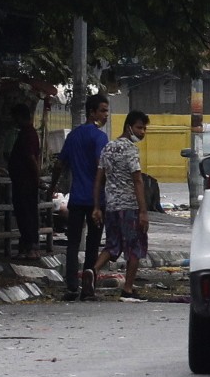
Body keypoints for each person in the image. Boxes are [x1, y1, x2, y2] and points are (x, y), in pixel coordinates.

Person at [57, 94, 111, 301]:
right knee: (93, 242)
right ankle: (88, 285)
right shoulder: (99, 137)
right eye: (103, 111)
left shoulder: (73, 136)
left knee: (73, 242)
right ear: (92, 112)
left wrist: (51, 187)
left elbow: (60, 164)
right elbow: (101, 166)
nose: (105, 115)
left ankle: (71, 285)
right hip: (96, 200)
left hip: (77, 198)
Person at [96, 111, 151, 300]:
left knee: (112, 246)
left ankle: (92, 273)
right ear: (129, 127)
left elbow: (99, 179)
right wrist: (143, 211)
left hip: (112, 206)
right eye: (139, 127)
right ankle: (128, 288)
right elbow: (137, 181)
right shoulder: (130, 149)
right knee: (134, 247)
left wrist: (97, 205)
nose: (142, 132)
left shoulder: (108, 147)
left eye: (144, 128)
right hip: (130, 207)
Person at [6, 102, 43, 257]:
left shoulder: (28, 134)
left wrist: (37, 176)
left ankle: (31, 246)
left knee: (27, 214)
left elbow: (31, 157)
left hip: (25, 182)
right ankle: (27, 245)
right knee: (25, 214)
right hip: (22, 180)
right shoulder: (26, 133)